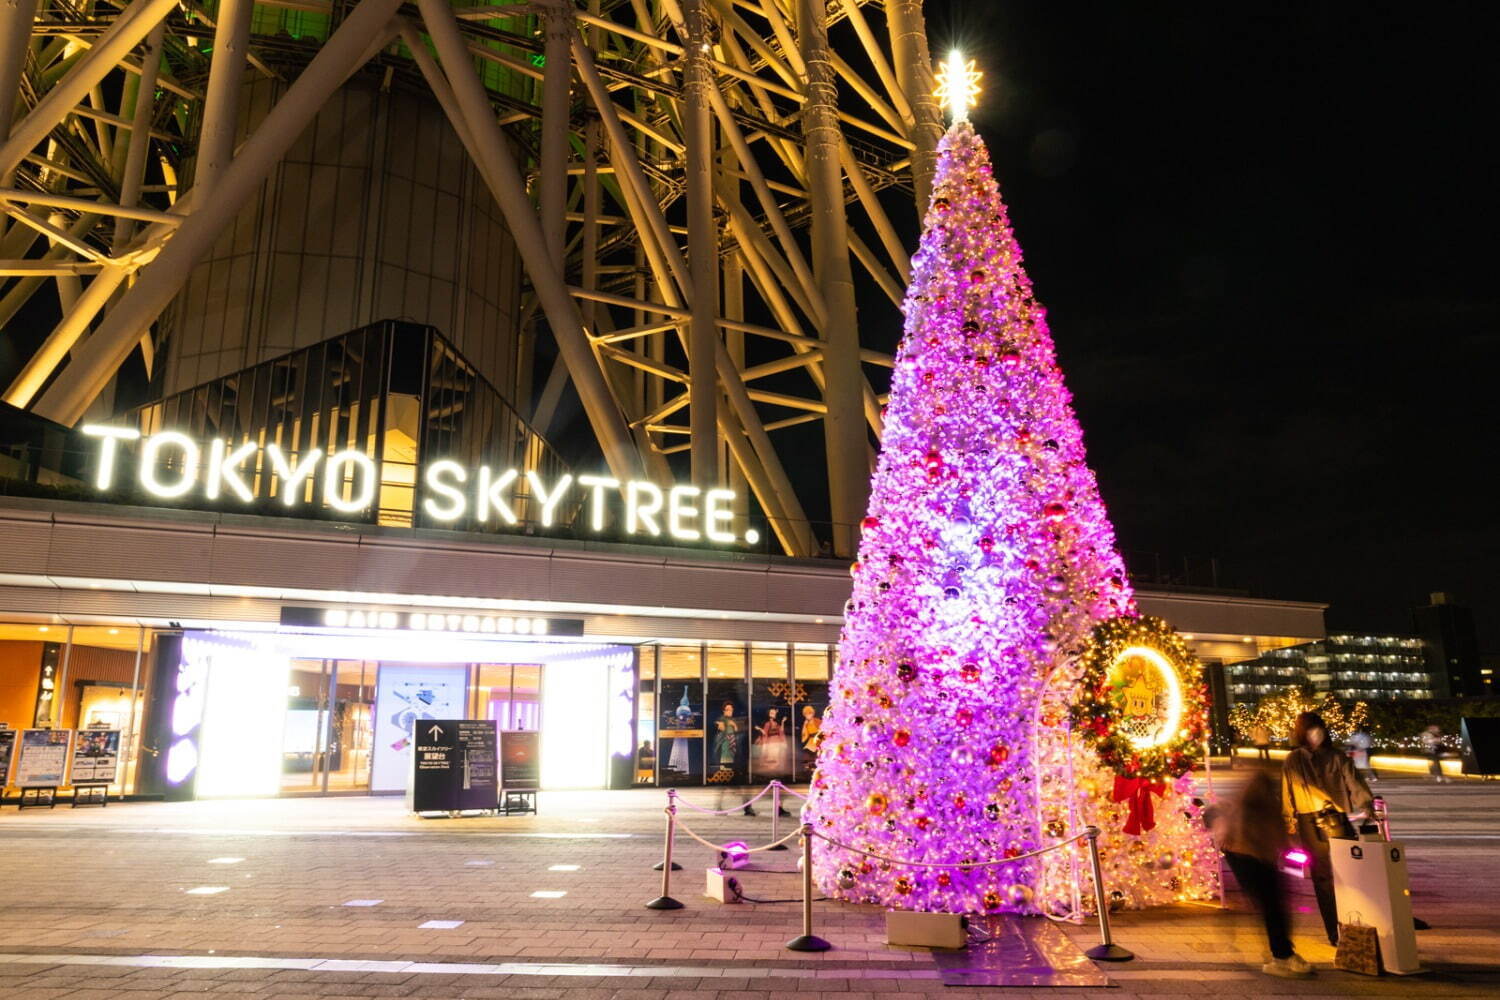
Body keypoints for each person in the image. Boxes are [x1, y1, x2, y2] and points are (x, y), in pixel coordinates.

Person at [1281, 711, 1374, 945]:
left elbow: (1355, 782)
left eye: (1320, 728)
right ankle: (1334, 931)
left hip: (1337, 817)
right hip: (1309, 820)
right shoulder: (1294, 760)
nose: (1316, 733)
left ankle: (1357, 921)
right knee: (1322, 877)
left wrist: (1367, 805)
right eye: (1311, 729)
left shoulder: (1337, 756)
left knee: (1349, 871)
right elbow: (1287, 793)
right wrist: (1289, 822)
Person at [1209, 771, 1313, 979]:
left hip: (1256, 858)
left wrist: (1285, 850)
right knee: (1272, 906)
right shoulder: (1248, 808)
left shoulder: (1259, 805)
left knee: (1273, 906)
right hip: (1248, 858)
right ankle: (1281, 956)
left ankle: (1282, 953)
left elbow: (1277, 832)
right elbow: (1240, 835)